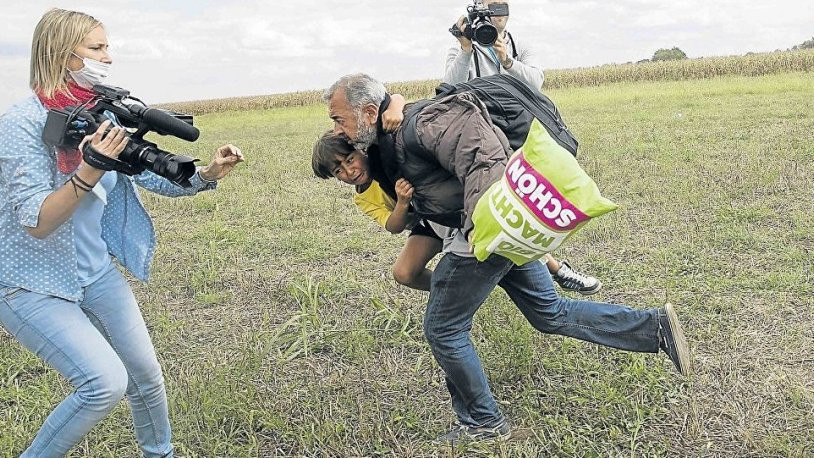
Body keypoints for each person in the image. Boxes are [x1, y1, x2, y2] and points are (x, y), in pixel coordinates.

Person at [323, 73, 691, 443]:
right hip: (498, 230)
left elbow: (481, 154)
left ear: (369, 111)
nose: (339, 130)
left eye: (339, 119)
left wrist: (479, 224)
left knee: (443, 329)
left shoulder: (420, 122)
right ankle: (654, 327)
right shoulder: (384, 132)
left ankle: (484, 423)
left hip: (483, 233)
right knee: (550, 313)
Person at [0, 9, 244, 457]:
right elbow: (37, 222)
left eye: (107, 47)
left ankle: (160, 453)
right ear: (61, 52)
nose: (108, 58)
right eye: (97, 48)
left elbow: (145, 173)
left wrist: (207, 173)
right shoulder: (20, 125)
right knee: (103, 383)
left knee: (145, 376)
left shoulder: (99, 117)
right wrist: (92, 167)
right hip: (30, 283)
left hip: (95, 273)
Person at [446, 0, 601, 295]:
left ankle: (549, 269)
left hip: (521, 132)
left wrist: (508, 62)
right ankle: (555, 270)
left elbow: (536, 82)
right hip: (481, 134)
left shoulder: (519, 43)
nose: (495, 16)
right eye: (488, 10)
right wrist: (466, 48)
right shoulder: (463, 44)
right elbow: (448, 87)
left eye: (500, 9)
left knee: (530, 201)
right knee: (507, 205)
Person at [312, 132, 442, 291]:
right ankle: (451, 289)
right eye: (338, 171)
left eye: (350, 160)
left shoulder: (385, 157)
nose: (349, 171)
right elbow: (393, 226)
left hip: (442, 208)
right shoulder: (362, 197)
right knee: (403, 273)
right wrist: (402, 203)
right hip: (425, 224)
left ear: (362, 149)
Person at [445, 0, 543, 90]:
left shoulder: (520, 46)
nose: (499, 11)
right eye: (494, 6)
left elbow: (537, 83)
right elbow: (449, 90)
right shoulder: (461, 47)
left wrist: (508, 63)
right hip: (479, 108)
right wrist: (465, 51)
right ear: (479, 8)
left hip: (516, 109)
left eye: (503, 6)